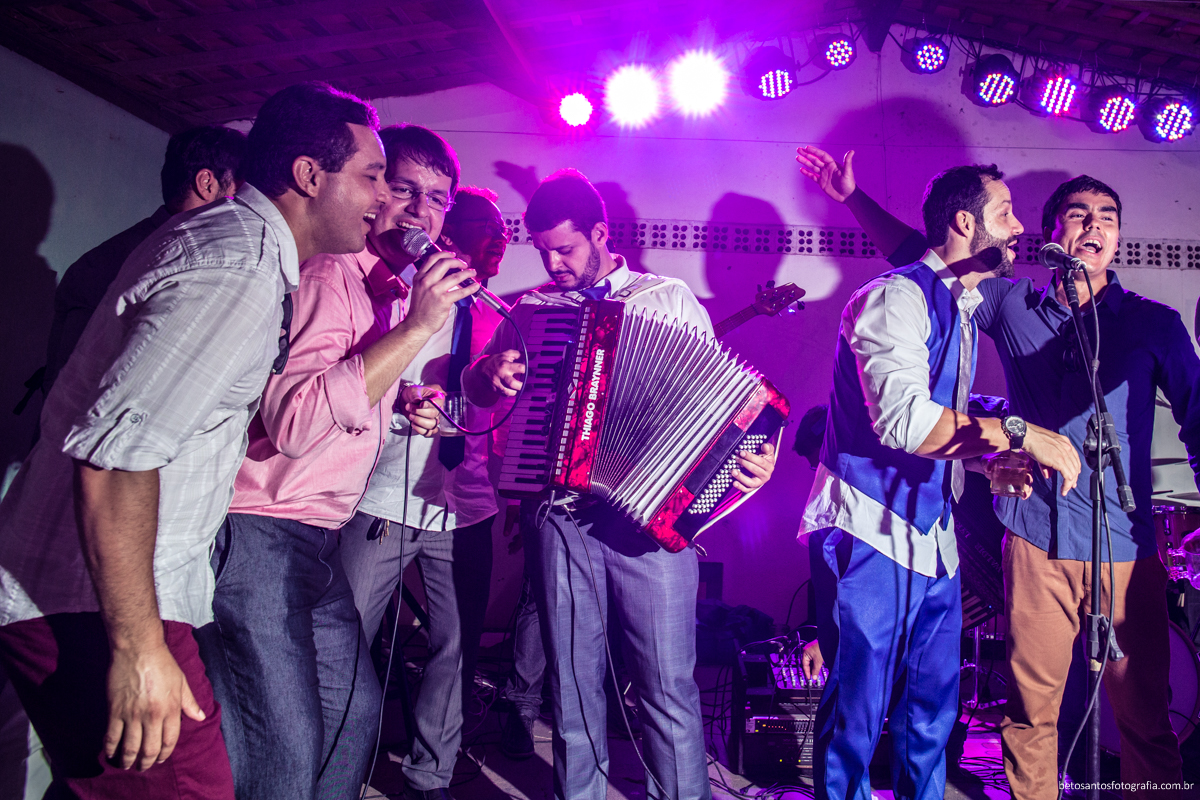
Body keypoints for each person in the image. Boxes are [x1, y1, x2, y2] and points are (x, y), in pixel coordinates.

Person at [0, 80, 387, 799]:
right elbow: (115, 459)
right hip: (91, 600)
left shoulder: (242, 252)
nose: (383, 197)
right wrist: (140, 648)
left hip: (109, 593)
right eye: (371, 175)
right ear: (310, 175)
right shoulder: (236, 267)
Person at [798, 145, 1197, 798]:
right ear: (1052, 232)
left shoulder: (1155, 324)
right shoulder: (1010, 306)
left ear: (1119, 238)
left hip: (1125, 547)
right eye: (1079, 214)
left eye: (1107, 217)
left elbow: (1199, 418)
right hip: (1034, 541)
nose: (1094, 226)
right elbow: (930, 256)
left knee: (1146, 720)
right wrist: (852, 199)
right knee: (1031, 717)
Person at [463, 168, 777, 800]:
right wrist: (486, 373)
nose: (552, 264)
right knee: (572, 688)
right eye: (542, 251)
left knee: (667, 687)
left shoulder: (668, 299)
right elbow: (475, 389)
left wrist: (755, 463)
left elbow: (718, 408)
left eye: (565, 249)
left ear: (601, 235)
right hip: (558, 515)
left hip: (648, 522)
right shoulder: (532, 311)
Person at [195, 123, 478, 800]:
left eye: (437, 199)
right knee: (285, 751)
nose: (419, 211)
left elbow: (336, 383)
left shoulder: (387, 292)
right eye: (402, 188)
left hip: (316, 539)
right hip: (262, 530)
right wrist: (417, 329)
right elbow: (292, 424)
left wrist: (401, 400)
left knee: (352, 720)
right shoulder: (329, 276)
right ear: (374, 196)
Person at [799, 163, 1081, 800]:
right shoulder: (893, 298)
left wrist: (983, 461)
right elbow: (903, 421)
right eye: (1005, 213)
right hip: (871, 528)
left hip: (934, 537)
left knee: (931, 715)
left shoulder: (964, 307)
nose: (1019, 228)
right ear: (964, 223)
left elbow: (941, 420)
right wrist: (1018, 433)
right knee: (857, 716)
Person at [337, 163, 513, 799]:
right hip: (385, 495)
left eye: (503, 232)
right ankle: (337, 769)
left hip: (467, 504)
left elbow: (486, 403)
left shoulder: (498, 313)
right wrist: (405, 399)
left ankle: (430, 774)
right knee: (345, 640)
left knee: (456, 648)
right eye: (485, 229)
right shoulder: (390, 292)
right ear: (448, 236)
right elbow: (356, 384)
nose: (498, 241)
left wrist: (491, 384)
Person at [43, 125, 248, 392]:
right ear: (207, 183)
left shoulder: (138, 252)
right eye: (242, 188)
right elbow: (74, 388)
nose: (248, 205)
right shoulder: (133, 262)